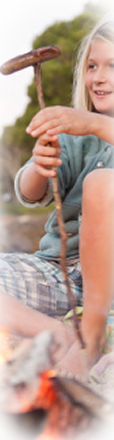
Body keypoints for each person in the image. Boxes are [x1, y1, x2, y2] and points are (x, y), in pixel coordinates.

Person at [1, 10, 114, 374]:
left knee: (102, 183)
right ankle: (57, 333)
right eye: (92, 66)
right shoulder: (77, 136)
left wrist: (95, 123)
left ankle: (92, 336)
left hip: (107, 286)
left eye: (113, 65)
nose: (99, 77)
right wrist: (39, 164)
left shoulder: (87, 125)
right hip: (56, 273)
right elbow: (29, 192)